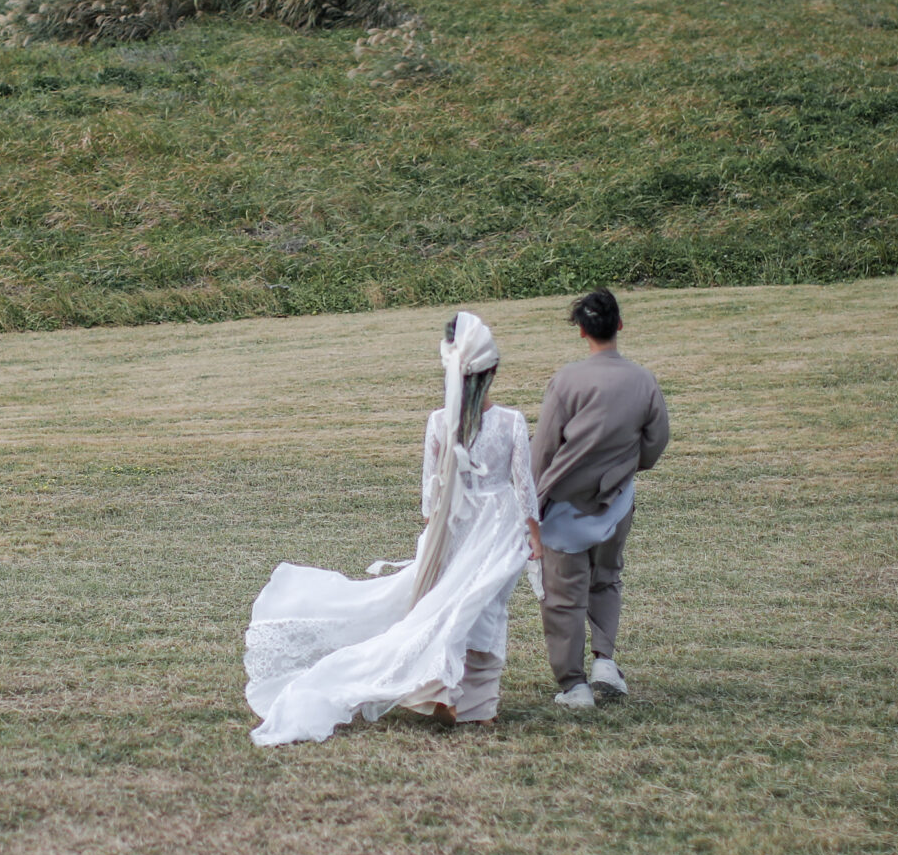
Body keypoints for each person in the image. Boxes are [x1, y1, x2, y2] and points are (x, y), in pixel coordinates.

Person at [244, 312, 544, 745]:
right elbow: (522, 485)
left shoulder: (440, 422)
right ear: (493, 371)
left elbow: (431, 493)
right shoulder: (511, 421)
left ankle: (449, 693)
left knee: (451, 605)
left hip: (455, 526)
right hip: (497, 528)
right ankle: (473, 703)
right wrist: (533, 532)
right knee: (486, 610)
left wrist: (432, 536)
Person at [532, 288, 670, 710]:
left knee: (563, 596)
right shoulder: (644, 380)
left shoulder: (567, 380)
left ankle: (574, 685)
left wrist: (531, 503)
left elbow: (544, 448)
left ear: (581, 332)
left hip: (565, 507)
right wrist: (626, 468)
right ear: (619, 326)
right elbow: (655, 443)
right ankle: (605, 661)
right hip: (616, 501)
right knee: (607, 577)